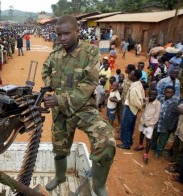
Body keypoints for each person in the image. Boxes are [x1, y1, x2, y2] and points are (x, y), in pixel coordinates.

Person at [41, 15, 115, 195]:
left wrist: (59, 98)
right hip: (60, 112)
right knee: (60, 148)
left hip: (83, 110)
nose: (62, 38)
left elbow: (89, 83)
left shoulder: (90, 53)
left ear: (77, 31)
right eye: (59, 34)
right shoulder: (55, 55)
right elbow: (45, 71)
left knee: (106, 142)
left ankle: (99, 186)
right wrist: (50, 85)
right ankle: (60, 177)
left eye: (66, 33)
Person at [118, 70, 145, 149]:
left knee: (125, 126)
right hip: (134, 110)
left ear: (135, 76)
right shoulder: (139, 85)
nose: (129, 75)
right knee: (131, 126)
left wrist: (138, 106)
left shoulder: (134, 88)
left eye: (131, 74)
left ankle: (126, 144)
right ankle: (129, 141)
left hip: (130, 108)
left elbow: (135, 102)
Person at [134, 89, 161, 164]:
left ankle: (146, 154)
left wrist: (149, 124)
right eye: (150, 94)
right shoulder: (147, 100)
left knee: (148, 138)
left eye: (153, 95)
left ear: (156, 95)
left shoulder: (158, 104)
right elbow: (142, 100)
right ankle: (140, 145)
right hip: (143, 120)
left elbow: (156, 116)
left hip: (150, 124)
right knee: (141, 133)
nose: (151, 96)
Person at [151, 86, 179, 158]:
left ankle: (158, 152)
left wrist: (172, 126)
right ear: (164, 91)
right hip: (157, 123)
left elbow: (176, 116)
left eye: (170, 92)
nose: (168, 94)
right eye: (167, 92)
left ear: (173, 93)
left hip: (166, 125)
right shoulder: (160, 99)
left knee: (163, 140)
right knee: (154, 136)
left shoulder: (175, 103)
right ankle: (152, 147)